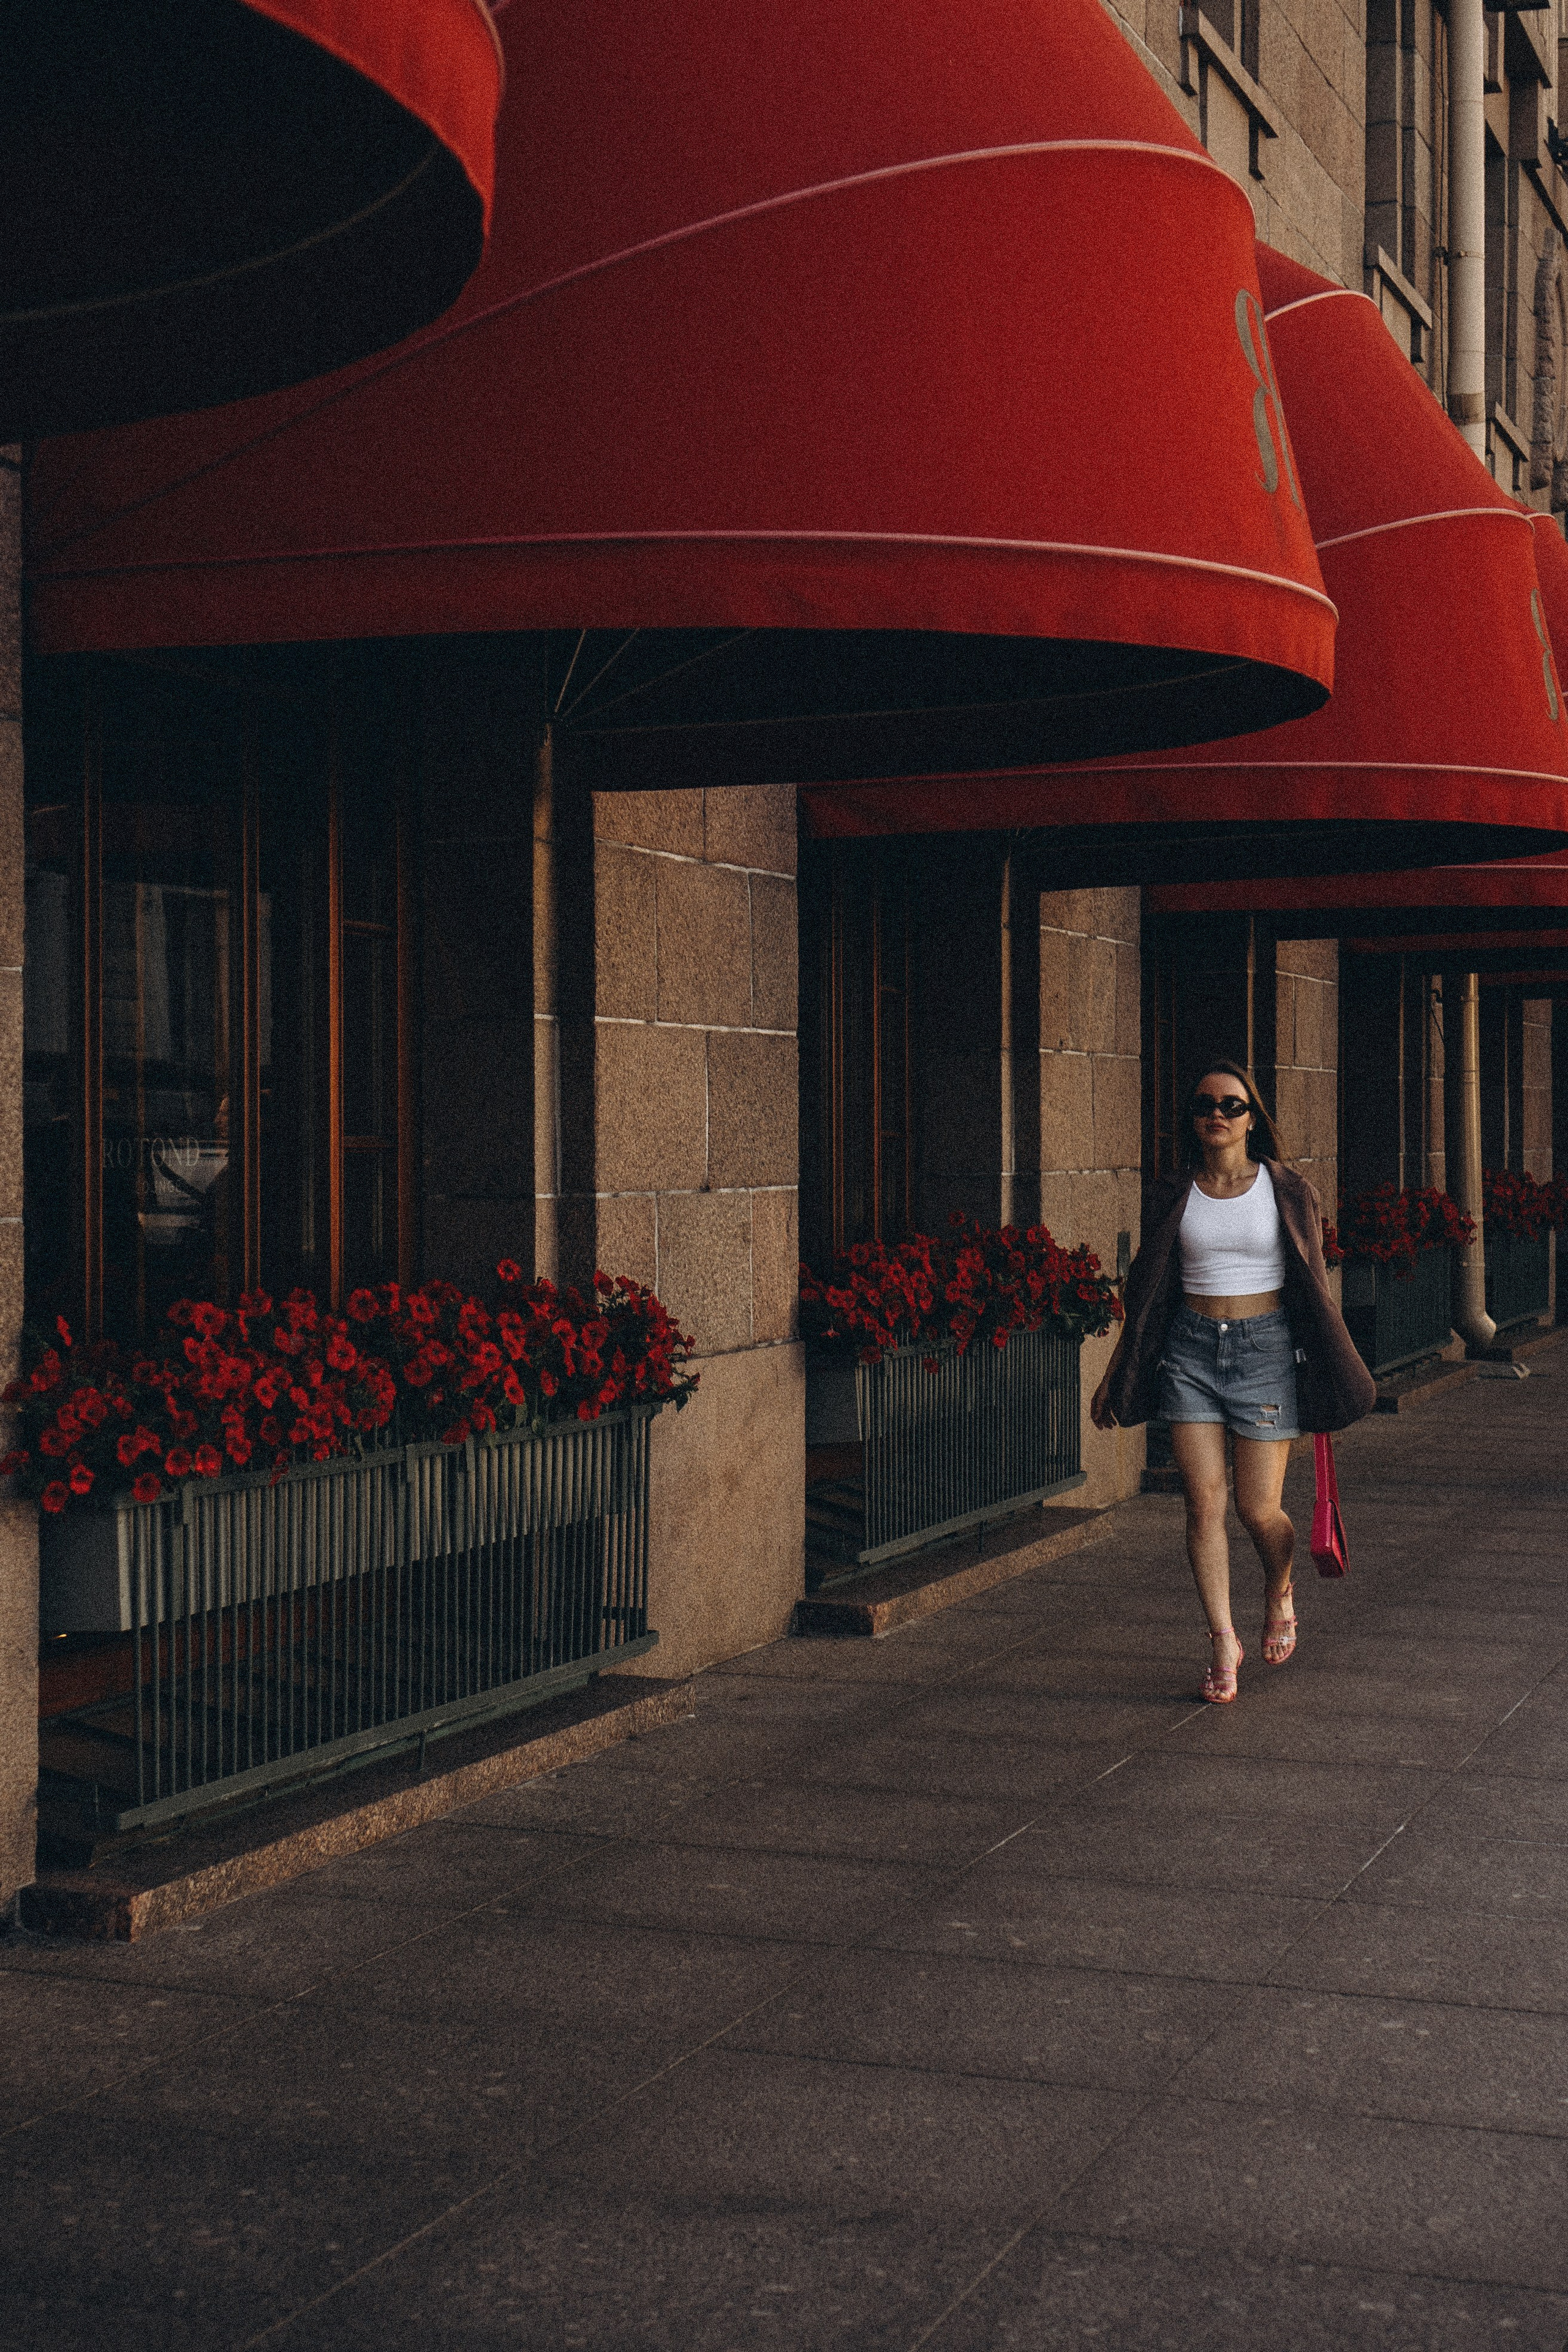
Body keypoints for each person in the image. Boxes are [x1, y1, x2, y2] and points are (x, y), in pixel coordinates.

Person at [1090, 1060, 1375, 1702]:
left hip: (1265, 1351)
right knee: (1202, 1503)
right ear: (1192, 1119)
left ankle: (1278, 1590)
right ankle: (1222, 1640)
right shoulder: (1173, 1192)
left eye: (1231, 1105)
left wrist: (1325, 1364)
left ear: (1252, 1117)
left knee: (1257, 1510)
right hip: (1190, 1353)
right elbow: (1149, 1295)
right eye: (1204, 1105)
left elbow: (1313, 1289)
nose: (1216, 1114)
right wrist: (1118, 1370)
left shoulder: (1286, 1189)